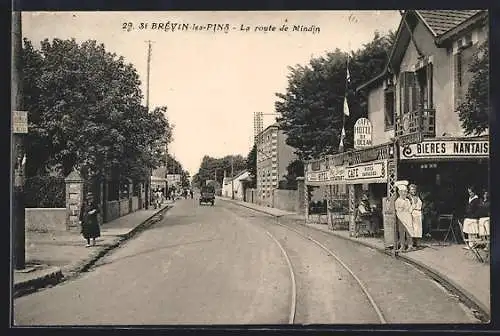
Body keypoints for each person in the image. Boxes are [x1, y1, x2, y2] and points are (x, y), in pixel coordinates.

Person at [395, 180, 414, 252]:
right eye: (403, 192)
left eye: (406, 191)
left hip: (408, 217)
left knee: (409, 232)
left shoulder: (407, 200)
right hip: (401, 218)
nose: (405, 193)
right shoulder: (398, 201)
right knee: (401, 232)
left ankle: (410, 245)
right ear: (399, 192)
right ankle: (402, 246)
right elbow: (398, 210)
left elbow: (410, 209)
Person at [409, 184, 423, 248]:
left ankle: (417, 243)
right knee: (412, 228)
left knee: (418, 229)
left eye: (414, 189)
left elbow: (421, 205)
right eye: (412, 189)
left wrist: (421, 213)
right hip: (412, 213)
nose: (413, 191)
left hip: (418, 213)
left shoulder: (418, 196)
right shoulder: (408, 197)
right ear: (409, 190)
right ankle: (411, 244)